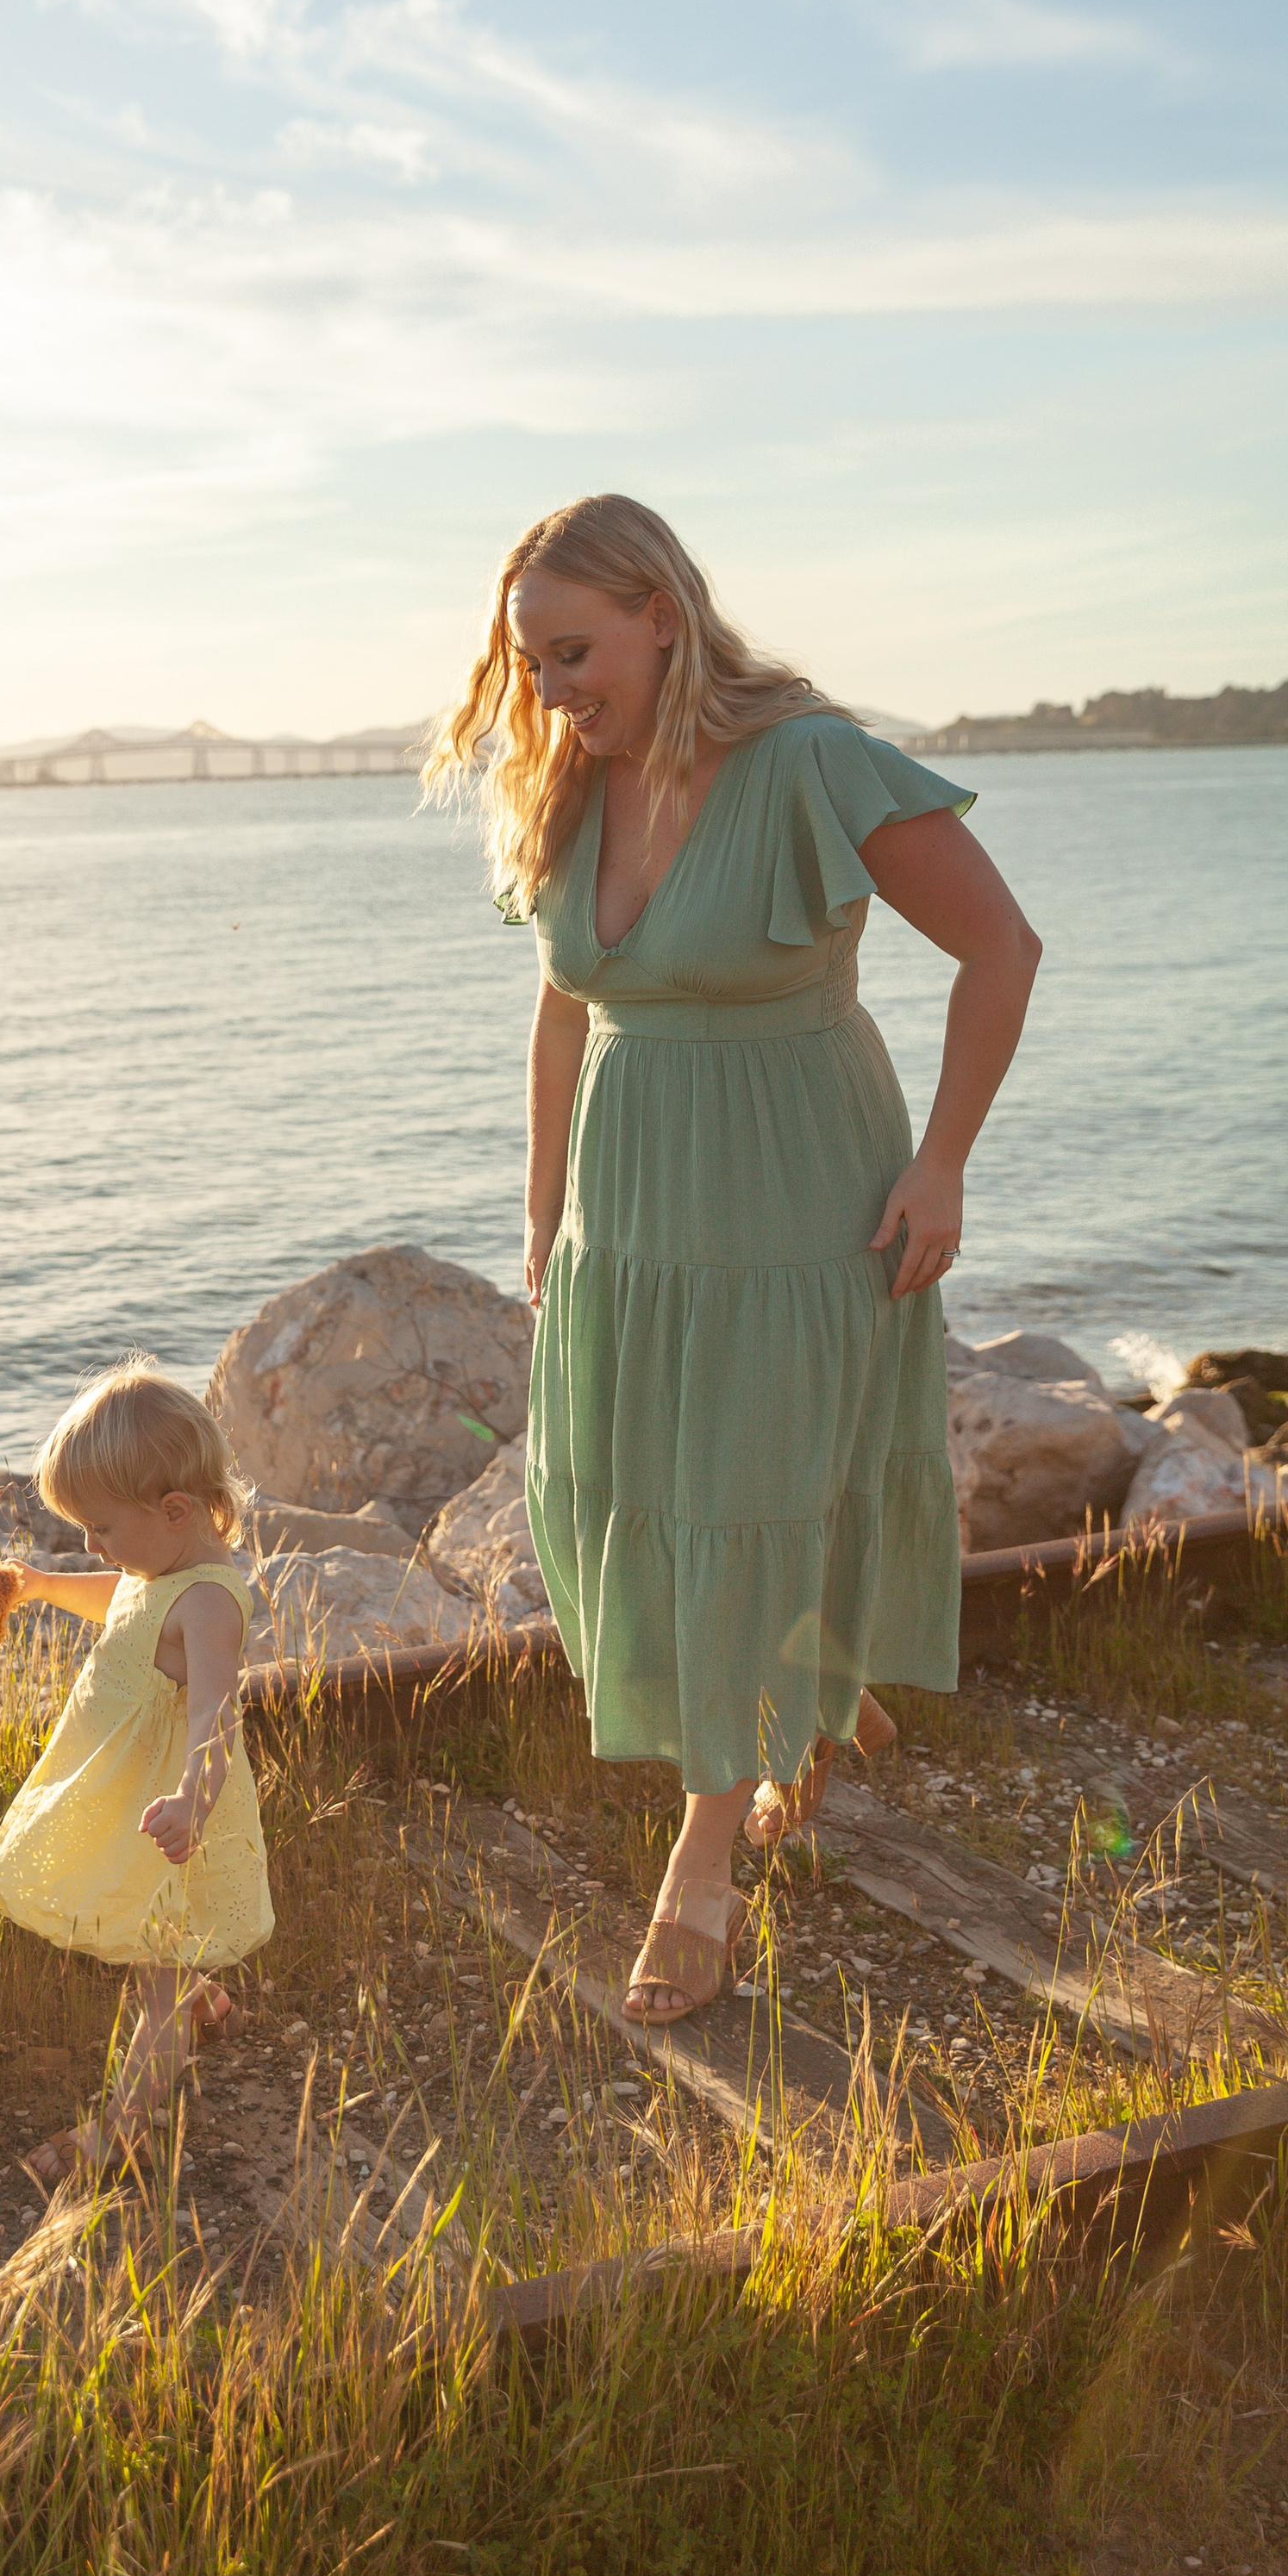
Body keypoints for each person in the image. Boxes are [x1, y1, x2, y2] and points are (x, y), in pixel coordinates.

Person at [427, 495, 1041, 2024]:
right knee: (649, 1481)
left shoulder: (809, 761)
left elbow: (1003, 949)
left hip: (795, 1194)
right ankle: (817, 1706)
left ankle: (707, 1849)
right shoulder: (571, 780)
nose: (554, 689)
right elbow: (570, 1003)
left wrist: (945, 1161)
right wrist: (542, 1209)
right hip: (631, 1214)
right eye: (532, 663)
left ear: (662, 613)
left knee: (749, 1486)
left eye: (574, 652)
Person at [0, 1361, 272, 2182]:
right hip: (134, 1796)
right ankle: (204, 2002)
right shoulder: (156, 1569)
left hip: (172, 1810)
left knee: (157, 1976)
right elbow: (118, 1598)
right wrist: (38, 1586)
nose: (91, 1545)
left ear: (174, 1511)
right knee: (157, 1936)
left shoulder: (209, 1602)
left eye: (101, 1528)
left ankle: (122, 2131)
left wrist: (191, 1803)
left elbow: (217, 1712)